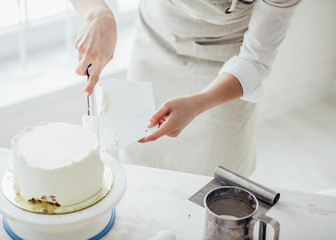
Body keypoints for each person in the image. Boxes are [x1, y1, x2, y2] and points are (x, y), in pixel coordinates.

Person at [70, 0, 301, 176]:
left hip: (226, 69)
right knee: (142, 169)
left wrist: (199, 102)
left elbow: (255, 62)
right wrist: (97, 13)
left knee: (218, 183)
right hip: (155, 40)